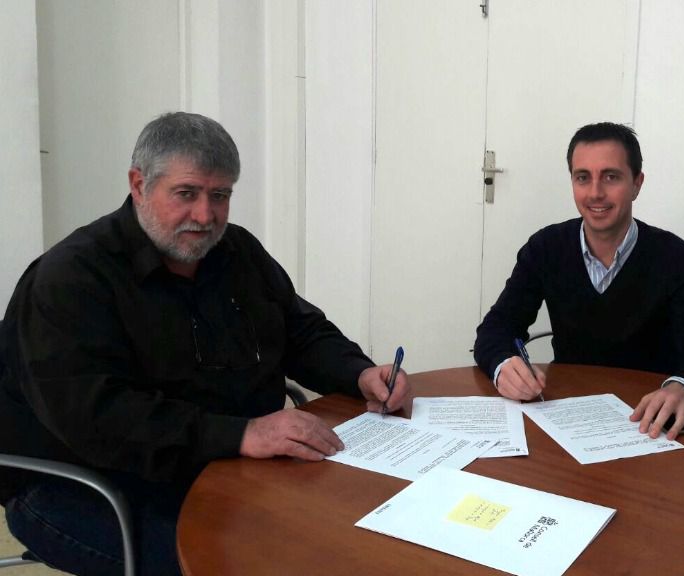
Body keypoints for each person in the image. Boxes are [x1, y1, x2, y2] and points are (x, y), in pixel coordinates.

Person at [0, 112, 409, 575]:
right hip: (92, 485)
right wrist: (242, 434)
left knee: (349, 534)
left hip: (230, 466)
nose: (205, 215)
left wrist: (358, 372)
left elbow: (300, 331)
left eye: (220, 196)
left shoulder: (237, 252)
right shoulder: (71, 278)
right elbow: (98, 419)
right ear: (139, 185)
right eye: (186, 193)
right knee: (241, 566)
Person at [473, 122, 684, 440]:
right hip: (569, 418)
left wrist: (682, 387)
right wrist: (503, 365)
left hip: (647, 425)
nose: (595, 192)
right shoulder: (545, 248)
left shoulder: (674, 256)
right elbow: (495, 329)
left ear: (636, 184)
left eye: (611, 177)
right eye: (583, 177)